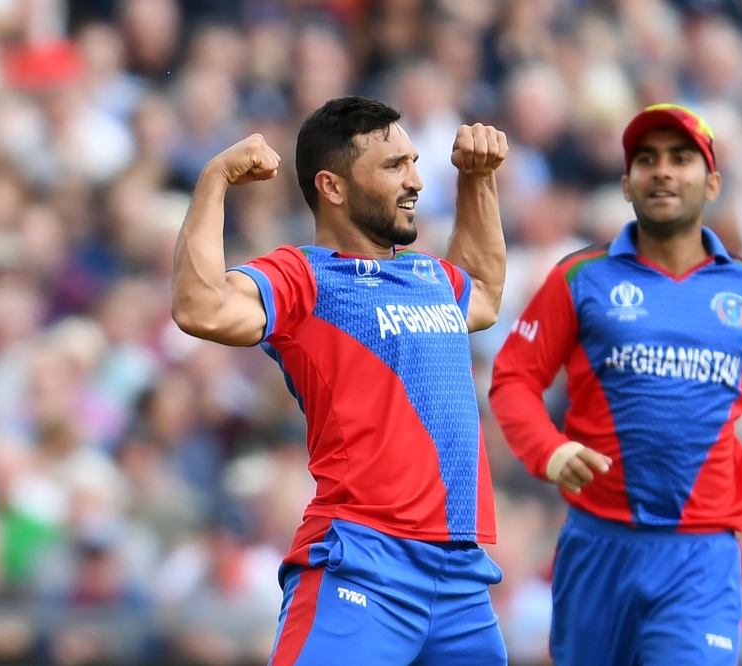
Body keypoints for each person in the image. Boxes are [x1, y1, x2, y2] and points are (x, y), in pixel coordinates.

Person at [488, 103, 742, 666]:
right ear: (627, 184)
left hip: (701, 555)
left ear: (713, 183)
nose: (663, 171)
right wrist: (547, 450)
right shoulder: (580, 277)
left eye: (681, 158)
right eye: (647, 160)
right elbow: (513, 378)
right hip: (597, 546)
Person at [171, 96, 509, 666]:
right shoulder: (304, 276)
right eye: (394, 166)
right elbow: (200, 306)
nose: (416, 181)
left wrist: (478, 179)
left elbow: (484, 291)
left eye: (413, 162)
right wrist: (214, 180)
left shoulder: (430, 274)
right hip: (363, 563)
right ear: (332, 186)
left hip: (462, 582)